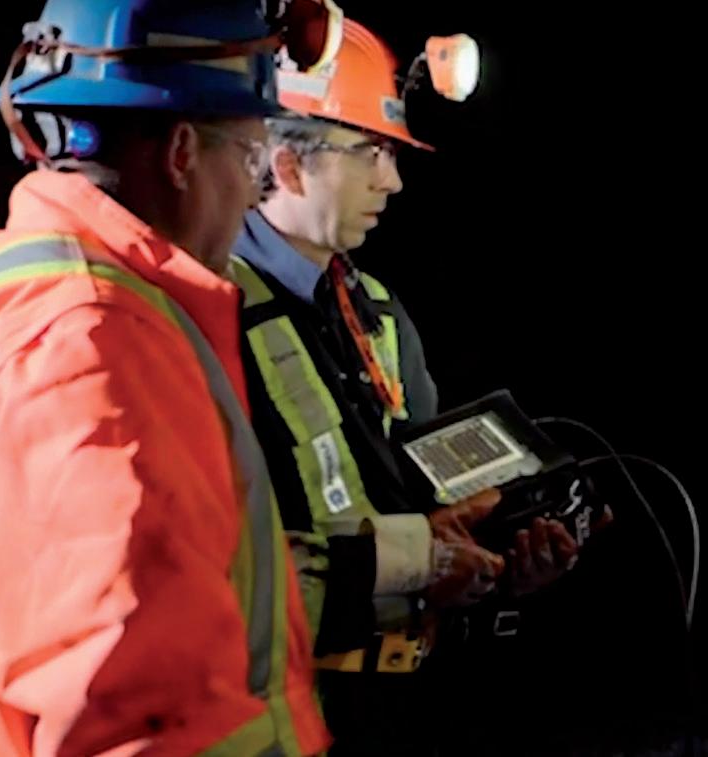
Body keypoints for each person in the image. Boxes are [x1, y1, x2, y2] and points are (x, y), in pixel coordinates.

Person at [0, 1, 343, 753]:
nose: (252, 197)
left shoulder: (22, 297)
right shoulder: (92, 344)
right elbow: (140, 715)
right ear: (182, 152)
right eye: (250, 160)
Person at [228, 19, 590, 754]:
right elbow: (215, 567)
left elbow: (423, 509)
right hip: (274, 713)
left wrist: (499, 561)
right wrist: (420, 563)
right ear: (288, 165)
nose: (392, 181)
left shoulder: (375, 313)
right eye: (371, 152)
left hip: (395, 701)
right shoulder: (204, 315)